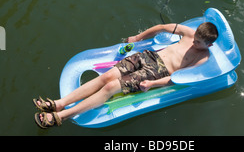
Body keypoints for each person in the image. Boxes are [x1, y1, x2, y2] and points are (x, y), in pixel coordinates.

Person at [33, 21, 218, 129]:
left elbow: (179, 78)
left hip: (157, 71)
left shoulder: (203, 57)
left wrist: (153, 84)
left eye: (199, 43)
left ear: (209, 45)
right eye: (194, 39)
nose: (194, 43)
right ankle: (59, 103)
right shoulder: (189, 32)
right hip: (148, 56)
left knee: (110, 87)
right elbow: (162, 27)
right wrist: (138, 38)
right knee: (106, 77)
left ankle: (63, 116)